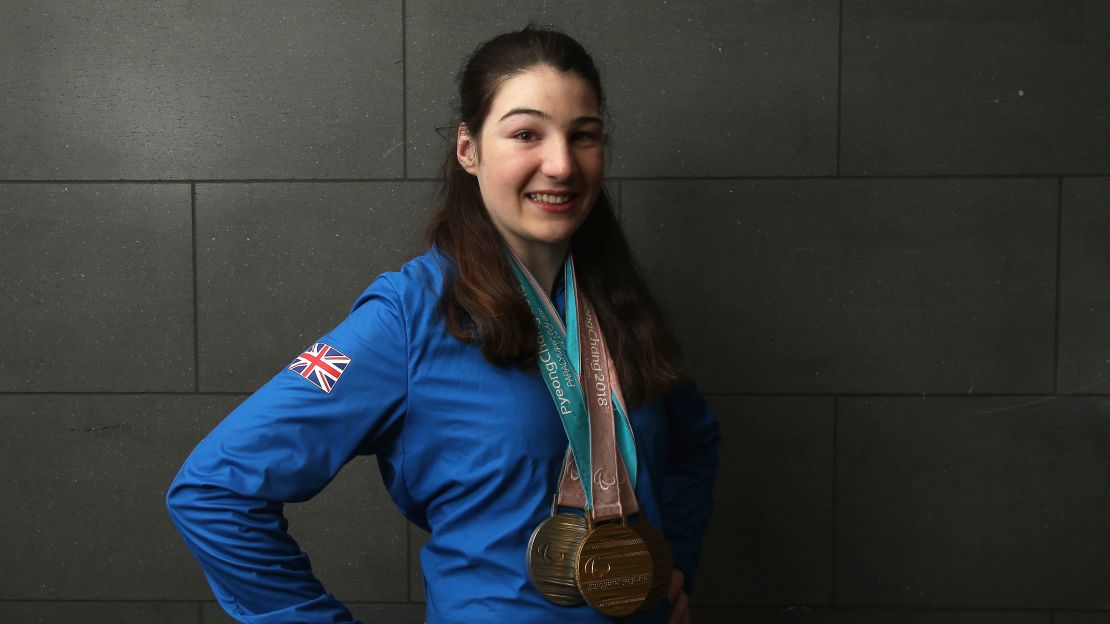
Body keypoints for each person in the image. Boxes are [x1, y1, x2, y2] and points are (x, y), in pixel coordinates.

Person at [167, 26, 719, 624]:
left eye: (582, 135)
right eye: (526, 133)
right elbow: (214, 491)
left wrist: (676, 561)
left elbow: (693, 445)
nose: (560, 164)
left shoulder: (619, 305)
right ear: (469, 149)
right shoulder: (408, 316)